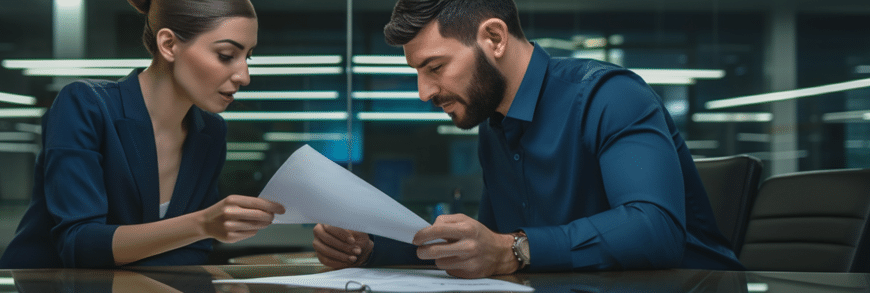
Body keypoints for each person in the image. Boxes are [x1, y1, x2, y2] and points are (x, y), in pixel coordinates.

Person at [313, 0, 744, 278]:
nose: (424, 92)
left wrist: (513, 249)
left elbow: (655, 228)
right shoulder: (494, 127)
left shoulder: (610, 96)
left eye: (435, 67)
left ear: (495, 38)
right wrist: (370, 249)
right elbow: (484, 241)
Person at [0, 0, 285, 268]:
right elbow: (78, 244)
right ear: (169, 44)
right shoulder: (85, 105)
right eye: (226, 55)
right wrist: (203, 224)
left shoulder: (209, 130)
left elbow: (192, 251)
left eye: (248, 57)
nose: (244, 76)